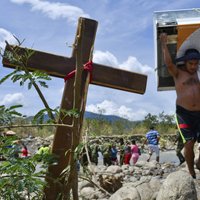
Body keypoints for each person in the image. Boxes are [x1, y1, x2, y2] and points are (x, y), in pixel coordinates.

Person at [160, 33, 200, 178]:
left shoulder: (197, 74)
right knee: (189, 143)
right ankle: (191, 172)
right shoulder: (178, 73)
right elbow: (169, 64)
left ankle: (199, 162)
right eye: (191, 64)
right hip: (184, 114)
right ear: (185, 62)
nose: (194, 67)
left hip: (199, 113)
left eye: (196, 64)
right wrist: (164, 44)